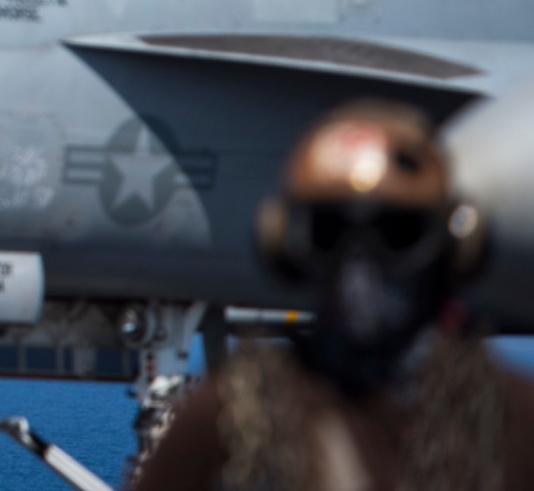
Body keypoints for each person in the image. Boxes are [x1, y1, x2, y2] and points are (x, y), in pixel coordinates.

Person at [133, 98, 534, 491]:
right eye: (330, 235)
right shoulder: (231, 423)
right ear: (287, 247)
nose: (361, 268)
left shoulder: (516, 424)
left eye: (397, 234)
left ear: (454, 245)